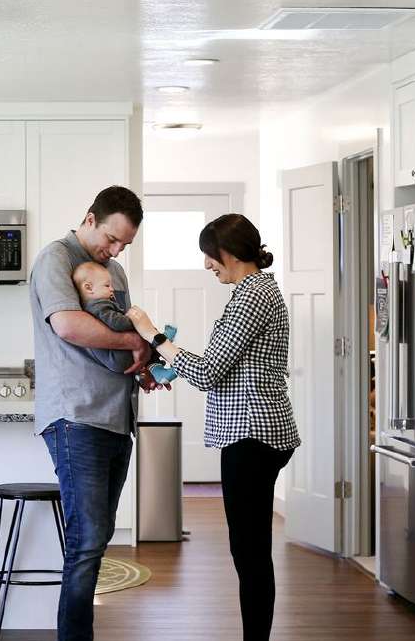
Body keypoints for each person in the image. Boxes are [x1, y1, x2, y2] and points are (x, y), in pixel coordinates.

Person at [125, 213, 301, 641]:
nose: (206, 265)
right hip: (262, 431)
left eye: (209, 256)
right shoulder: (257, 290)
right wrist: (165, 361)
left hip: (252, 435)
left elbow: (208, 373)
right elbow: (219, 366)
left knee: (250, 551)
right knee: (251, 548)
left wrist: (152, 334)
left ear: (228, 252)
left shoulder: (252, 296)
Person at [29, 185, 155, 641]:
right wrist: (136, 343)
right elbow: (70, 325)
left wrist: (141, 367)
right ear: (89, 218)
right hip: (76, 416)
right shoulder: (54, 260)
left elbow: (117, 331)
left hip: (116, 417)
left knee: (96, 541)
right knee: (85, 543)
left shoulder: (114, 271)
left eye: (125, 244)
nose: (116, 250)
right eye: (112, 238)